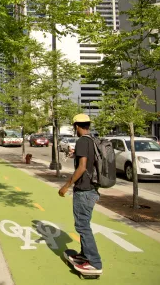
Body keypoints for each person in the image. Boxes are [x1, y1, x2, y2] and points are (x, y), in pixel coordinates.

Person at [58, 114, 102, 275]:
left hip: (84, 190)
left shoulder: (83, 141)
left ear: (77, 126)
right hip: (92, 189)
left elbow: (82, 167)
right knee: (84, 224)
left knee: (83, 226)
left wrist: (66, 185)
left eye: (74, 126)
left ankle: (94, 262)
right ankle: (85, 255)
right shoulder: (92, 140)